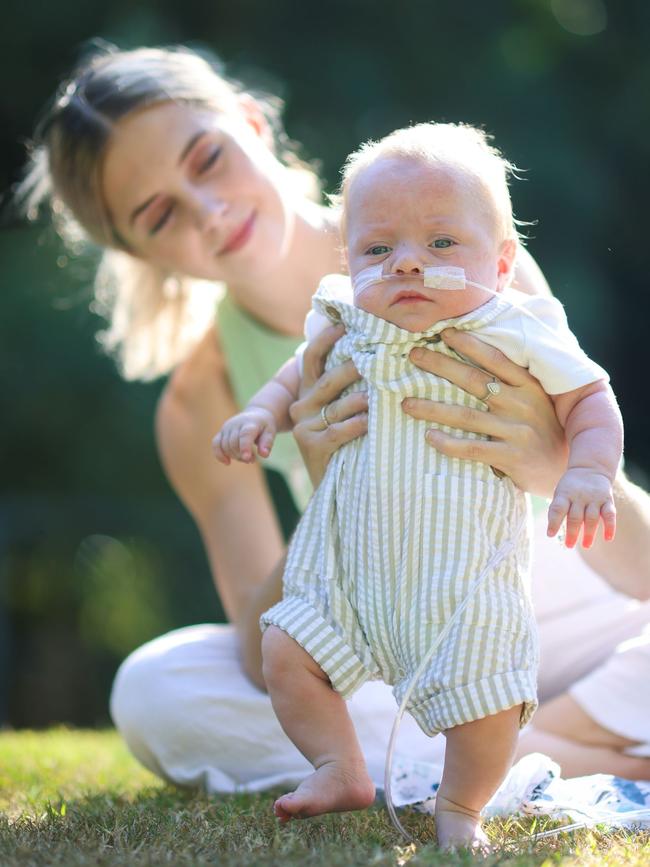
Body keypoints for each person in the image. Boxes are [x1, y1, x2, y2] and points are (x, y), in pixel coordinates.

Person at [20, 45, 650, 812]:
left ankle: (505, 759)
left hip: (559, 601)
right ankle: (530, 764)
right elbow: (261, 651)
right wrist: (332, 493)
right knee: (158, 687)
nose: (208, 211)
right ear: (137, 251)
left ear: (251, 123)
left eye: (208, 159)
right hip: (400, 632)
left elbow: (636, 562)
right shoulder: (201, 400)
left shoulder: (455, 237)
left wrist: (558, 470)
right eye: (159, 215)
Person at [212, 123, 622, 847]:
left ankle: (461, 806)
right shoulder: (346, 314)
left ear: (501, 264)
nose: (406, 264)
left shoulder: (514, 325)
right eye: (378, 248)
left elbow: (590, 394)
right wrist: (258, 413)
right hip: (354, 576)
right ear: (349, 259)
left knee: (489, 701)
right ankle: (342, 764)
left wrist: (586, 467)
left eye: (440, 245)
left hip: (462, 583)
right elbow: (291, 374)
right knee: (285, 649)